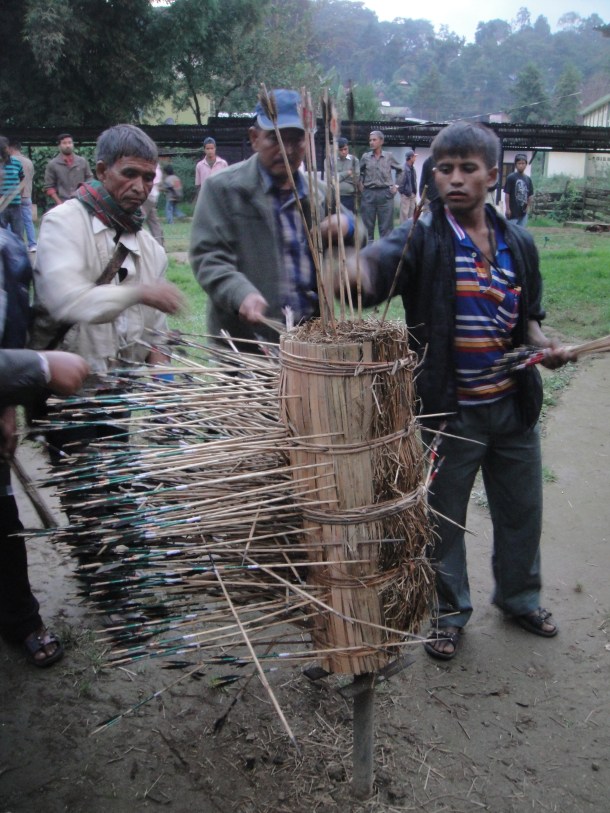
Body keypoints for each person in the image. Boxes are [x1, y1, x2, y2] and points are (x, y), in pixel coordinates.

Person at [347, 121, 576, 660]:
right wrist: (349, 254)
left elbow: (531, 322)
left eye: (467, 169)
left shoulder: (518, 244)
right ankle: (448, 614)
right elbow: (368, 275)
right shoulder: (421, 238)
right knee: (444, 519)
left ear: (492, 176)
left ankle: (520, 598)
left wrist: (548, 347)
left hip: (512, 408)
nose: (453, 179)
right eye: (443, 169)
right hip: (450, 412)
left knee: (522, 510)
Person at [190, 89, 358, 349]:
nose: (287, 150)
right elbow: (208, 257)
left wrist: (347, 227)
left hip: (309, 347)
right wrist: (240, 293)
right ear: (254, 138)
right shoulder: (222, 188)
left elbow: (360, 236)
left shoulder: (319, 193)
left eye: (296, 140)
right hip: (246, 347)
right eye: (276, 139)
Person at [0, 227, 90, 667]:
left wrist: (6, 402)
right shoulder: (59, 227)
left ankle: (20, 620)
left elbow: (10, 329)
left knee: (2, 521)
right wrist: (37, 365)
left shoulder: (8, 246)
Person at [32, 124, 184, 376]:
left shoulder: (151, 250)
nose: (139, 187)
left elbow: (158, 337)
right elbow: (68, 300)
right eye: (130, 173)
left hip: (118, 398)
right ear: (102, 171)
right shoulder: (62, 223)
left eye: (148, 177)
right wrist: (139, 293)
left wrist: (165, 392)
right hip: (64, 392)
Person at [359, 130, 403, 240]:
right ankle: (368, 254)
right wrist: (360, 185)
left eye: (374, 140)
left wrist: (396, 186)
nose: (371, 142)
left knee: (386, 228)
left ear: (381, 141)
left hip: (385, 195)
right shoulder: (365, 157)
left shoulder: (389, 156)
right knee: (367, 227)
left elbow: (401, 170)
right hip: (369, 194)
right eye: (370, 140)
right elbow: (357, 172)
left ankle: (385, 254)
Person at [43, 133, 93, 206]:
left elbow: (90, 179)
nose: (68, 145)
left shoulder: (82, 161)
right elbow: (49, 187)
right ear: (59, 146)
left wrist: (85, 194)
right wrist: (59, 203)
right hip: (63, 202)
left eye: (70, 142)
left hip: (82, 201)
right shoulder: (53, 164)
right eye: (64, 143)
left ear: (73, 144)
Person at [8, 141, 37, 251]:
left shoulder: (10, 161)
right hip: (27, 195)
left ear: (11, 148)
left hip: (14, 197)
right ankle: (32, 244)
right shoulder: (29, 162)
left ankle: (13, 245)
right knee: (28, 221)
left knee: (12, 221)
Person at [0, 136, 25, 238]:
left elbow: (22, 180)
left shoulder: (17, 163)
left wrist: (20, 196)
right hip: (1, 207)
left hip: (16, 205)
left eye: (5, 148)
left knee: (18, 235)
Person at [504, 153, 534, 227]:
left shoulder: (528, 179)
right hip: (512, 213)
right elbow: (507, 194)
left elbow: (530, 195)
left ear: (526, 164)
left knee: (521, 233)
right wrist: (507, 209)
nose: (521, 165)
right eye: (519, 163)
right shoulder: (511, 177)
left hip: (523, 213)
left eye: (523, 163)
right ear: (515, 165)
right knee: (511, 233)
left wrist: (528, 207)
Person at [141, 163, 165, 246]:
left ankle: (140, 245)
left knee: (138, 221)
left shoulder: (152, 167)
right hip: (152, 197)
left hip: (147, 196)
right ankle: (160, 245)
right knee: (153, 222)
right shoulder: (156, 167)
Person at [334, 136, 359, 212]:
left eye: (345, 149)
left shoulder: (354, 160)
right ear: (337, 150)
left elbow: (356, 179)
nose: (344, 152)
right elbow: (331, 179)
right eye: (341, 150)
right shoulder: (331, 160)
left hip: (349, 197)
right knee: (335, 221)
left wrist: (338, 176)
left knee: (349, 221)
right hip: (334, 197)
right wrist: (348, 173)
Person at [398, 147, 418, 222]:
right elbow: (400, 183)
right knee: (404, 215)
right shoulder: (403, 168)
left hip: (412, 195)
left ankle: (410, 232)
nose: (415, 158)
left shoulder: (413, 168)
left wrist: (414, 193)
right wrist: (404, 193)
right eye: (414, 157)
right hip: (406, 195)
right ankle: (403, 232)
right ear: (410, 158)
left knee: (411, 215)